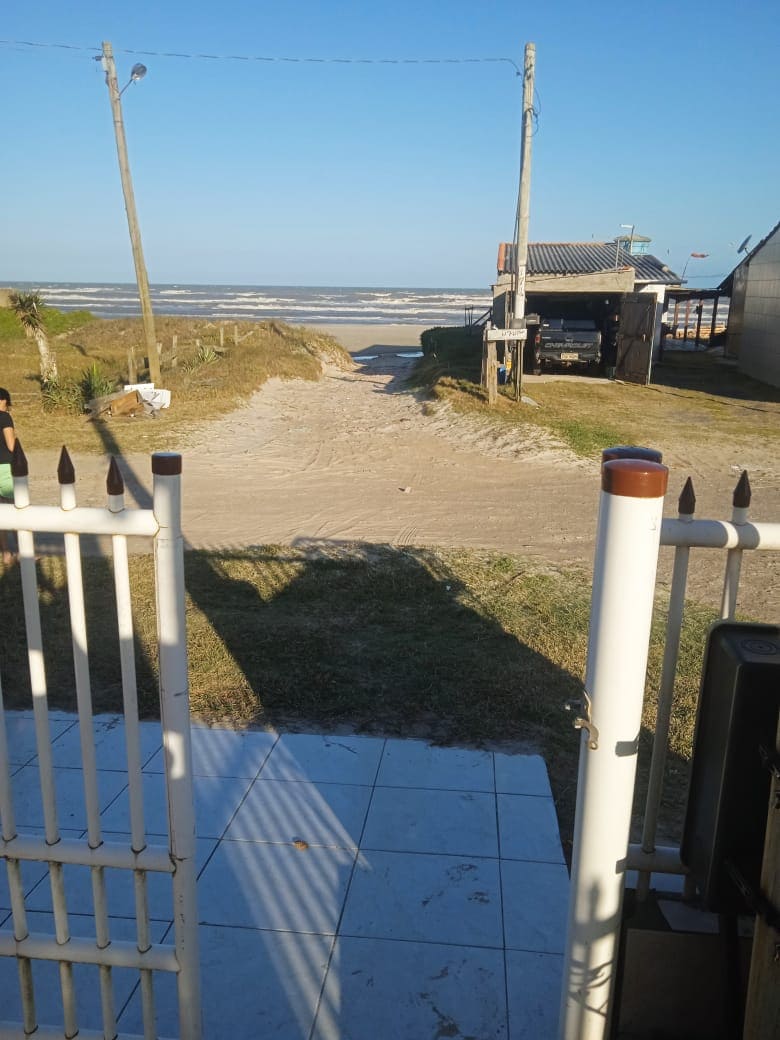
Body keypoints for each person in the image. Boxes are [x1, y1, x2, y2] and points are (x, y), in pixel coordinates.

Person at [0, 387, 16, 564]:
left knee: (0, 514)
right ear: (3, 400)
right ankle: (25, 551)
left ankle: (5, 554)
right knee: (16, 509)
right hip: (4, 467)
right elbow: (11, 445)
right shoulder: (4, 417)